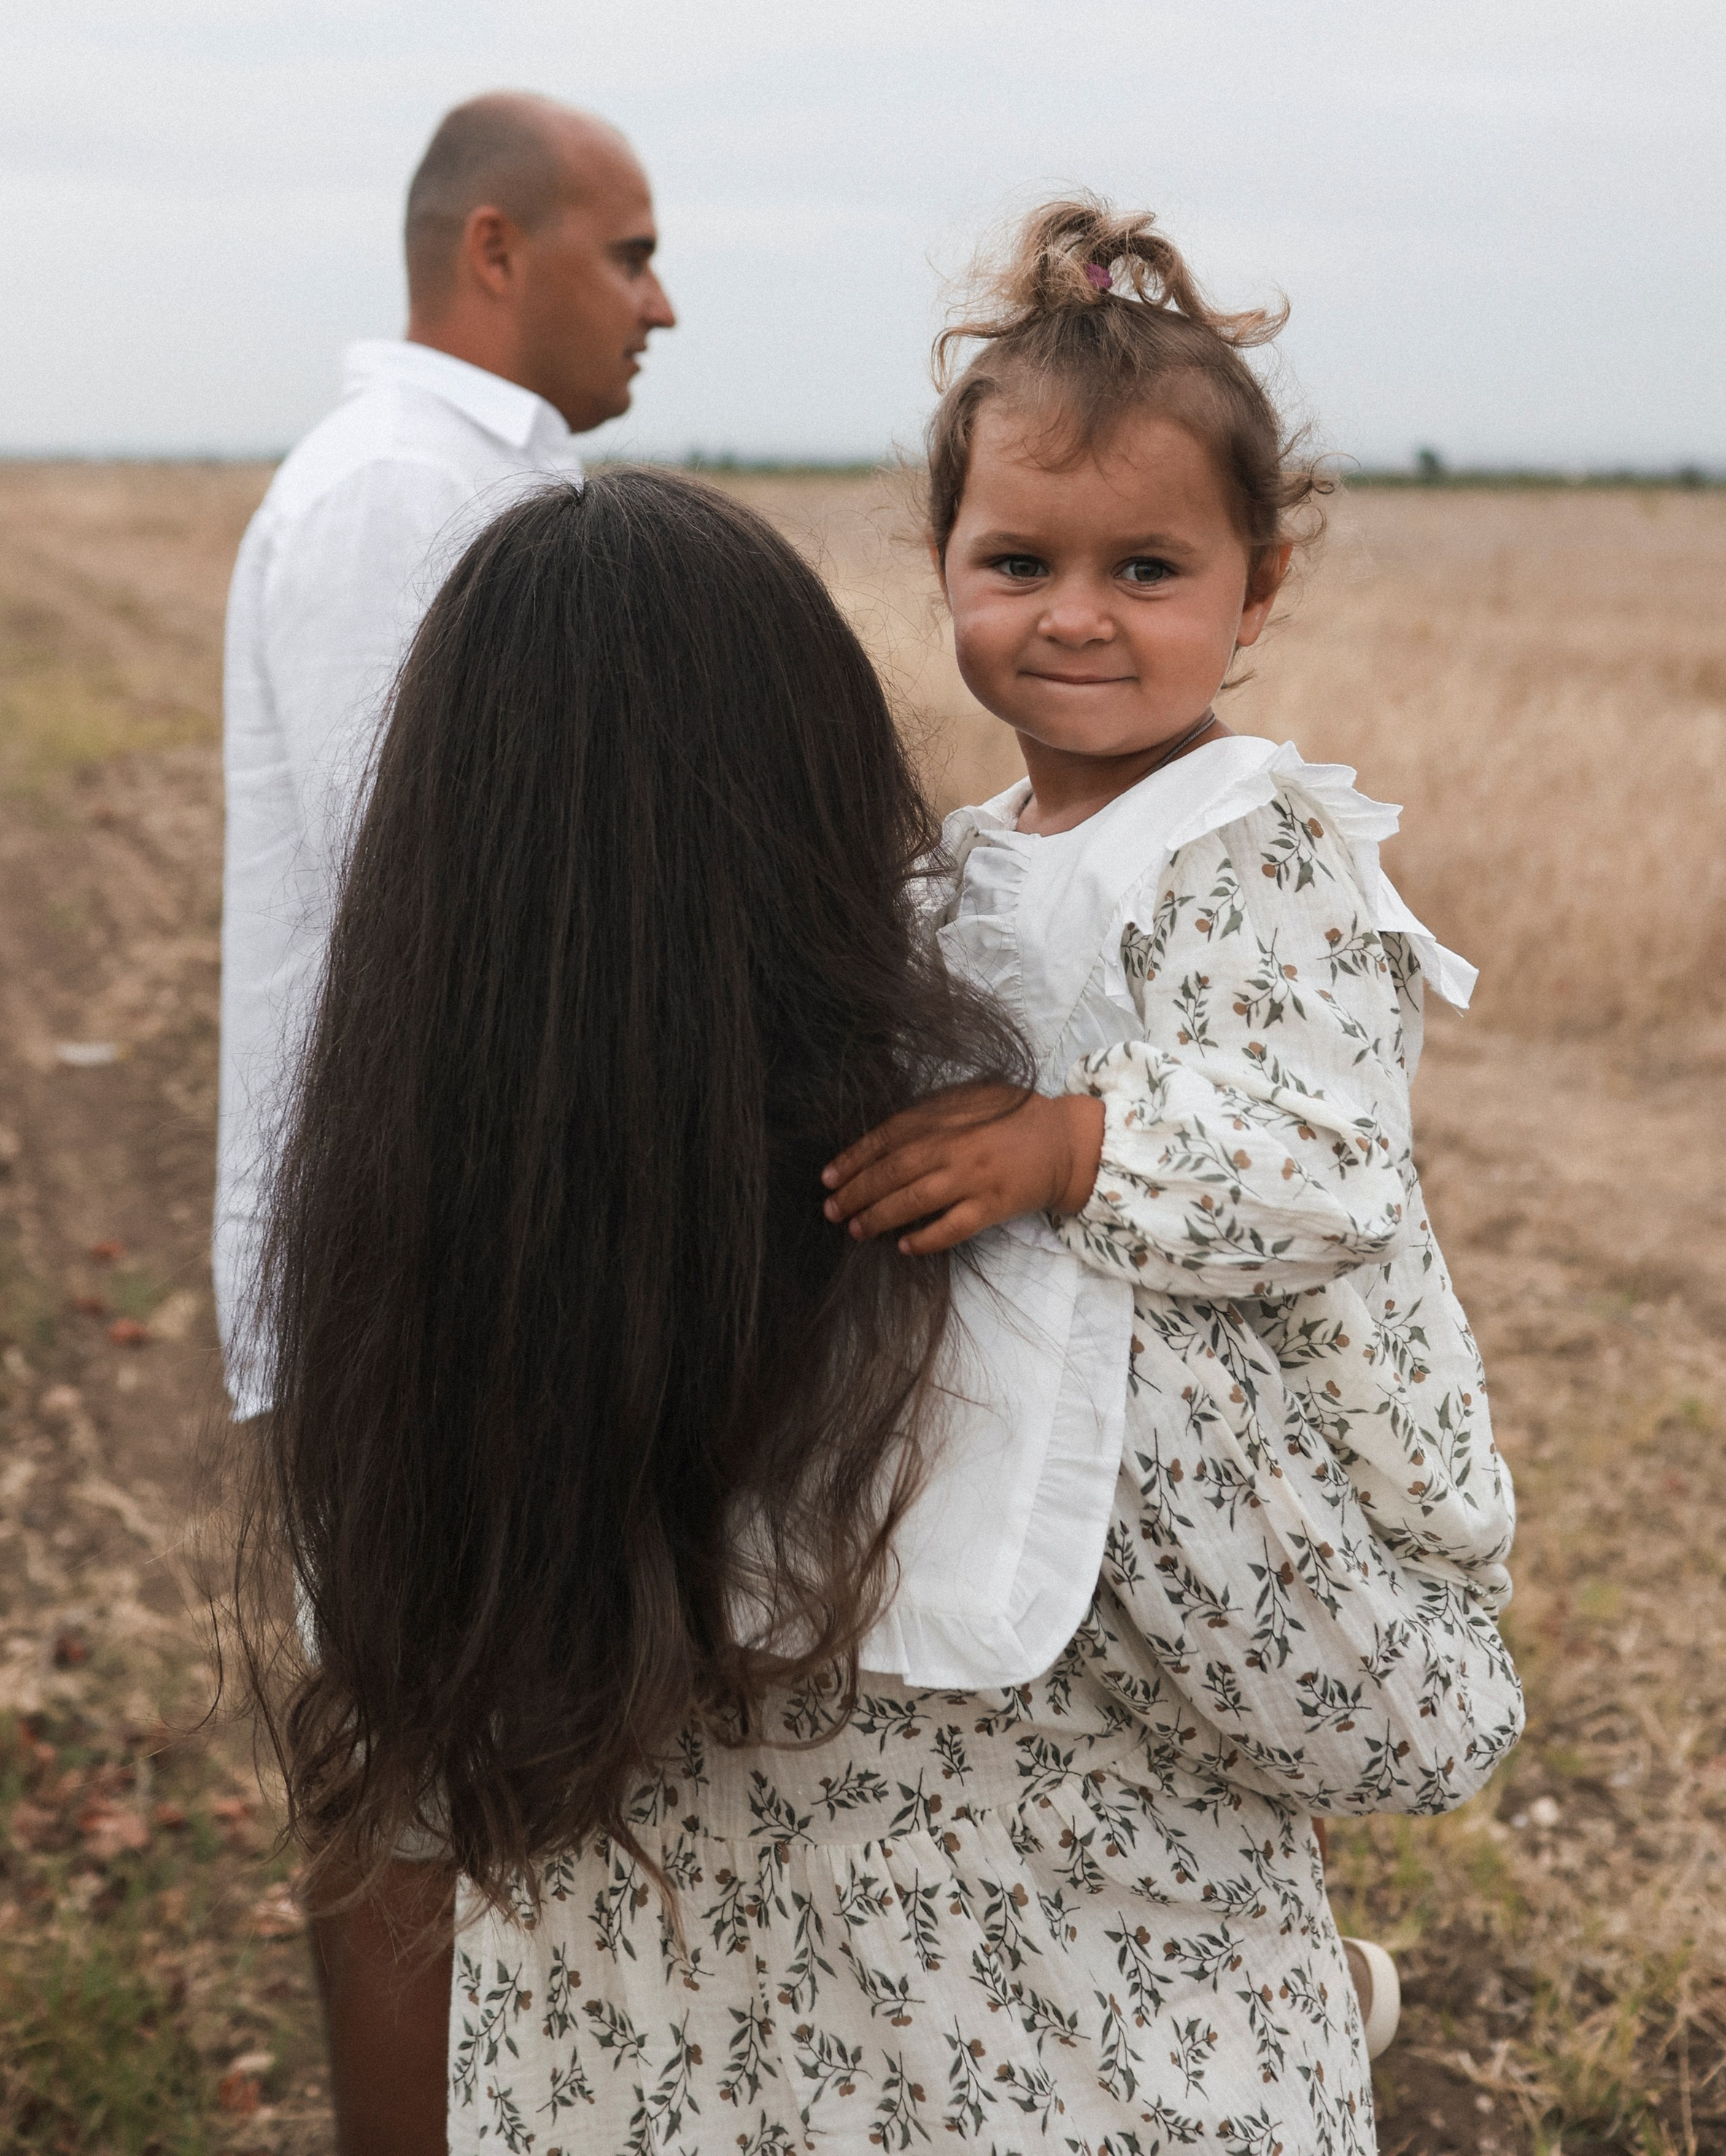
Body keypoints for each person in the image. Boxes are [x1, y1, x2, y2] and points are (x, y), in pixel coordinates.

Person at [247, 468, 1522, 2156]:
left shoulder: (406, 1297)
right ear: (825, 779)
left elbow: (413, 1813)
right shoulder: (1014, 1211)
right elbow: (1400, 1726)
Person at [821, 194, 1520, 2065]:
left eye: (1145, 568)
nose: (1071, 616)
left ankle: (1272, 2020)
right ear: (942, 565)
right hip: (1066, 1423)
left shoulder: (1252, 837)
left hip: (1256, 1448)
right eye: (1015, 560)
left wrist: (1062, 1149)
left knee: (1209, 1779)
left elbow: (1323, 1161)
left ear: (1254, 589)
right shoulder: (964, 860)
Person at [212, 92, 673, 1416]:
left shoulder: (469, 477)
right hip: (425, 1279)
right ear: (495, 249)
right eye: (631, 256)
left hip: (487, 1256)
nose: (662, 307)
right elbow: (436, 905)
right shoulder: (398, 488)